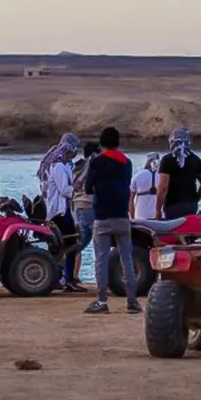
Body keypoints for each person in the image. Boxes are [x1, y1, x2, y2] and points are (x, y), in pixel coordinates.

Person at [83, 126, 139, 315]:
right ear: (118, 143)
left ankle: (102, 301)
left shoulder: (97, 162)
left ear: (101, 143)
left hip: (102, 217)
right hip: (122, 216)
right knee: (127, 260)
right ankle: (132, 301)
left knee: (101, 260)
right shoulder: (127, 163)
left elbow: (88, 188)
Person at [38, 132, 81, 290]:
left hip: (64, 210)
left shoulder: (65, 165)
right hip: (58, 212)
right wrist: (77, 188)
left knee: (65, 245)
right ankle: (66, 279)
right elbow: (64, 190)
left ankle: (62, 277)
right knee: (68, 244)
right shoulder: (57, 166)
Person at [66, 142, 101, 293]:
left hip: (78, 205)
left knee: (81, 241)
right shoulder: (92, 164)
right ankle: (66, 274)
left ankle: (68, 274)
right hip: (88, 205)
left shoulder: (77, 166)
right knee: (88, 241)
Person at [155, 128, 201, 220]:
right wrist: (195, 199)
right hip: (191, 205)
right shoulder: (196, 159)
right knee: (189, 232)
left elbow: (163, 187)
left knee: (175, 232)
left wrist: (158, 210)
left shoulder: (167, 160)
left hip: (173, 205)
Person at [130, 152, 160, 220]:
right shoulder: (162, 177)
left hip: (140, 216)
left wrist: (132, 219)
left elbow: (131, 200)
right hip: (159, 216)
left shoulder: (137, 176)